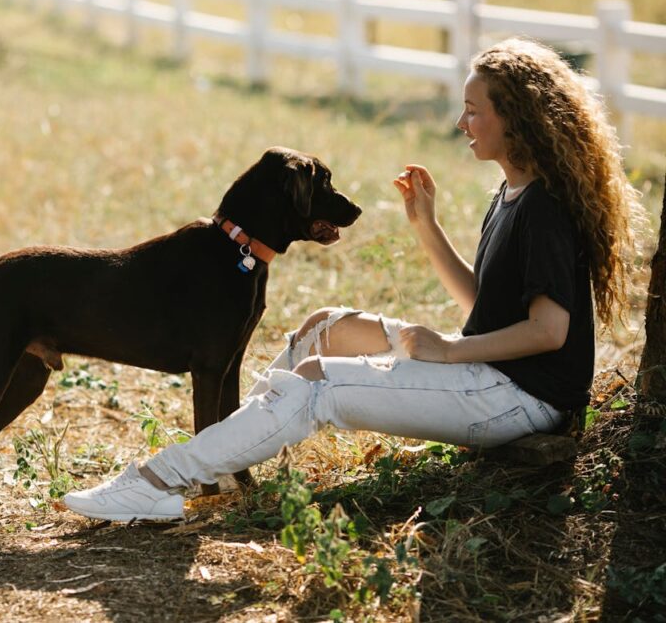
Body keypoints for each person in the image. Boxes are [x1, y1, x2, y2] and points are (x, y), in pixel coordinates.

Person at [63, 37, 646, 522]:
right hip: (490, 372)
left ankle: (161, 479)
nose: (461, 122)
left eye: (474, 109)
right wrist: (427, 227)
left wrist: (448, 350)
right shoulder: (513, 190)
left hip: (521, 398)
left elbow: (549, 331)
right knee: (324, 328)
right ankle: (229, 459)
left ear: (515, 118)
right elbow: (488, 303)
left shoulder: (544, 207)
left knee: (319, 381)